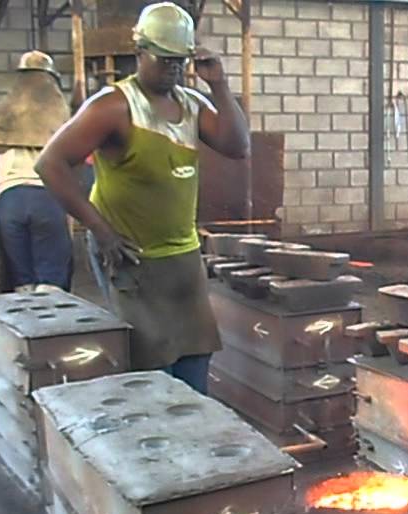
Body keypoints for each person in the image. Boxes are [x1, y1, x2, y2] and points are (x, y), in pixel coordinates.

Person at [36, 2, 249, 394]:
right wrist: (100, 231)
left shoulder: (191, 104)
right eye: (163, 58)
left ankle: (193, 428)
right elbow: (50, 164)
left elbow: (238, 146)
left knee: (195, 352)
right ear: (140, 52)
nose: (172, 68)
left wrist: (218, 84)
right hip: (130, 256)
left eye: (178, 60)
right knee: (150, 363)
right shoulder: (112, 107)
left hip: (182, 256)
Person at [0, 51, 73, 292]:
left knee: (21, 283)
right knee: (52, 284)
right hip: (47, 200)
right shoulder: (63, 115)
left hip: (9, 202)